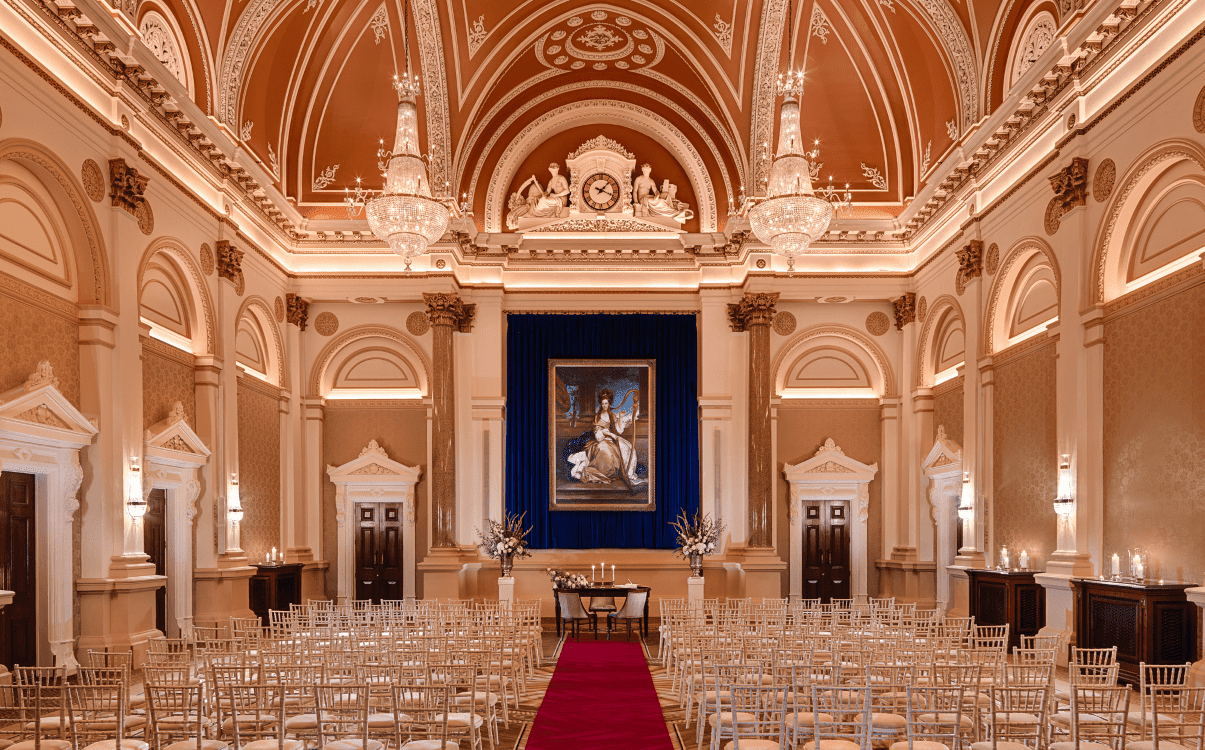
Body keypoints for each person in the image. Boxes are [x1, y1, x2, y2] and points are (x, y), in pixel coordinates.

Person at [566, 389, 647, 490]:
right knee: (605, 450)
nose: (604, 405)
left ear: (609, 404)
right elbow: (598, 434)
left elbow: (619, 430)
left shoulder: (612, 415)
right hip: (601, 440)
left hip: (612, 440)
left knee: (628, 448)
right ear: (601, 404)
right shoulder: (598, 416)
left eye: (606, 403)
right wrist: (610, 434)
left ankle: (628, 475)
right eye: (603, 403)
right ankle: (608, 473)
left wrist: (621, 417)